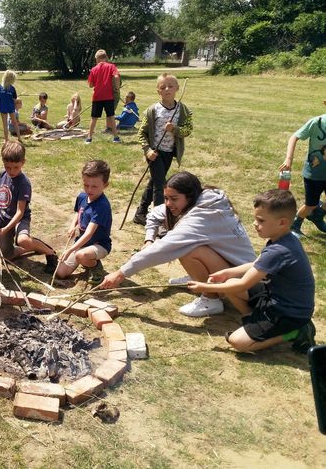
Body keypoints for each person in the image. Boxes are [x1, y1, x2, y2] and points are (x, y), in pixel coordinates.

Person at [101, 172, 256, 317]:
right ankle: (197, 275)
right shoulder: (204, 199)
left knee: (188, 250)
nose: (168, 204)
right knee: (189, 247)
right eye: (166, 198)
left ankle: (211, 299)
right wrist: (149, 240)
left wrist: (120, 273)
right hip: (233, 268)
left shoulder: (201, 218)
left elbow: (162, 249)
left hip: (247, 281)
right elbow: (155, 214)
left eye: (174, 199)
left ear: (189, 196)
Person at [187, 189, 316, 353]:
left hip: (290, 312)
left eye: (261, 220)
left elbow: (243, 285)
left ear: (282, 222)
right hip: (276, 297)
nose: (255, 223)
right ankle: (253, 321)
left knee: (237, 342)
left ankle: (295, 332)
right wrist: (228, 273)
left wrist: (204, 287)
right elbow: (257, 263)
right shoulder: (283, 238)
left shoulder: (280, 250)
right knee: (229, 282)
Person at [0, 141, 58, 273]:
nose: (11, 171)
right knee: (6, 256)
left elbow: (20, 212)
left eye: (15, 167)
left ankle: (50, 253)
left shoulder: (24, 183)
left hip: (19, 220)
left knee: (22, 240)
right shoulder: (2, 174)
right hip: (3, 220)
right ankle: (32, 245)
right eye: (7, 167)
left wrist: (6, 229)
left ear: (23, 162)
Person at [132, 73, 193, 226]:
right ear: (158, 91)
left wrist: (175, 129)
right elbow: (142, 133)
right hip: (155, 153)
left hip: (169, 153)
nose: (167, 89)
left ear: (177, 88)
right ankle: (160, 220)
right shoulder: (152, 110)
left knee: (154, 182)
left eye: (170, 86)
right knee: (160, 186)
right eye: (163, 87)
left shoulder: (182, 109)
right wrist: (147, 150)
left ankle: (141, 212)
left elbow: (188, 129)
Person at [55, 160, 113, 285]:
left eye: (94, 186)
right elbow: (78, 212)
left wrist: (70, 250)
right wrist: (72, 226)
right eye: (86, 185)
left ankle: (95, 267)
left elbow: (89, 234)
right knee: (60, 272)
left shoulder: (102, 206)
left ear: (105, 185)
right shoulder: (82, 196)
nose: (89, 189)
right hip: (81, 243)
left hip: (99, 245)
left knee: (80, 255)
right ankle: (86, 259)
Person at [279, 113, 326, 236]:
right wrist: (289, 159)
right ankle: (296, 224)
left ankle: (318, 215)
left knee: (315, 206)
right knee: (311, 204)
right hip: (314, 174)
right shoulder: (317, 122)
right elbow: (294, 137)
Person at [86, 49, 120, 144]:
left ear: (97, 59)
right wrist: (116, 88)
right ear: (106, 58)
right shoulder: (111, 66)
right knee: (111, 116)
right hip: (109, 96)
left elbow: (90, 85)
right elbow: (116, 77)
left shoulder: (94, 69)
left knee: (94, 118)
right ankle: (116, 137)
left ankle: (89, 138)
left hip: (97, 97)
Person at [0, 70, 20, 140]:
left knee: (5, 125)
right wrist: (15, 100)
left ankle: (6, 140)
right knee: (15, 123)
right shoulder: (12, 88)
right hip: (11, 108)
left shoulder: (0, 87)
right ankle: (19, 138)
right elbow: (15, 100)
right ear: (12, 79)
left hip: (3, 108)